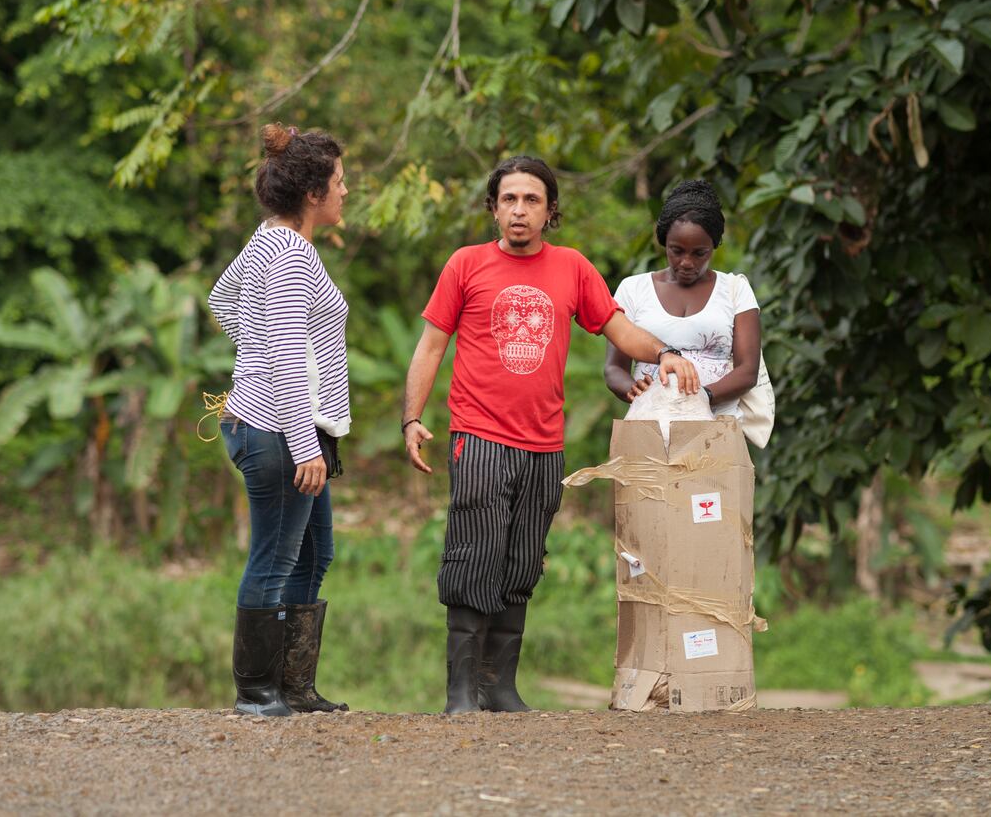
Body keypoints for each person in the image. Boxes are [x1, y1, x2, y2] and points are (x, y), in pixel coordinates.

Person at [401, 156, 701, 715]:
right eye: (509, 199)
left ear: (549, 210)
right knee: (475, 554)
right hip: (480, 436)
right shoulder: (466, 265)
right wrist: (412, 417)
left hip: (544, 445)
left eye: (531, 200)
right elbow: (431, 346)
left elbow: (618, 328)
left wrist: (665, 354)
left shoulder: (572, 268)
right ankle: (462, 691)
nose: (519, 210)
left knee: (521, 560)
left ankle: (499, 685)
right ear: (494, 208)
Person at [207, 124, 351, 716]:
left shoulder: (267, 239)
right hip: (279, 432)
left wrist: (253, 347)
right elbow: (291, 353)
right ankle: (257, 695)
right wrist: (303, 444)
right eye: (341, 182)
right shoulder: (290, 254)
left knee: (315, 554)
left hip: (277, 422)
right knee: (274, 557)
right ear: (314, 193)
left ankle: (293, 687)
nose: (346, 191)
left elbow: (221, 299)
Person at [603, 179, 761, 419]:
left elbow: (748, 371)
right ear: (664, 242)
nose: (687, 262)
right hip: (648, 425)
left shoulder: (735, 290)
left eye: (699, 253)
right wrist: (635, 391)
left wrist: (698, 399)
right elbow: (614, 367)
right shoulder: (633, 289)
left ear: (714, 246)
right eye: (676, 251)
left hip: (717, 430)